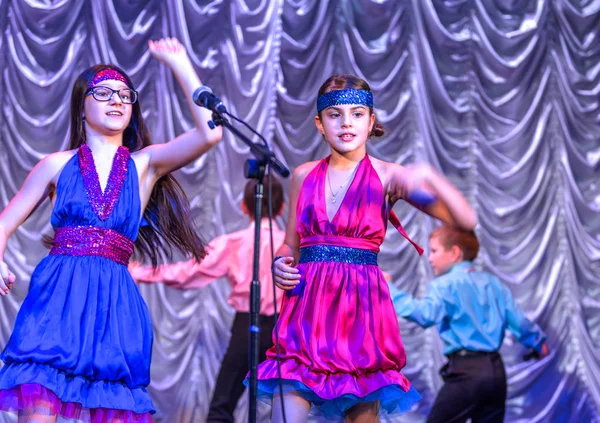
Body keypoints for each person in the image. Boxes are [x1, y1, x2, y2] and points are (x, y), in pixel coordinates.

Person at [0, 37, 222, 422]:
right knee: (39, 411)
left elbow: (210, 134)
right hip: (58, 296)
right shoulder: (55, 164)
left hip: (113, 299)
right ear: (82, 107)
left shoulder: (145, 164)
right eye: (104, 92)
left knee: (113, 406)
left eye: (125, 94)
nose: (117, 100)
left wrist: (182, 64)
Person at [260, 74, 478, 423]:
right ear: (320, 123)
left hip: (358, 311)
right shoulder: (303, 175)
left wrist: (431, 175)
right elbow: (291, 243)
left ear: (371, 120)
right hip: (306, 310)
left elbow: (465, 220)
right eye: (335, 114)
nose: (346, 123)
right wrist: (280, 261)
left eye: (357, 113)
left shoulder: (389, 176)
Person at [129, 176, 286, 423]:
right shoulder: (293, 244)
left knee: (221, 407)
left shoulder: (234, 243)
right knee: (285, 405)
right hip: (284, 328)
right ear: (282, 208)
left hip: (248, 326)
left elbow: (189, 273)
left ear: (245, 207)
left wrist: (143, 273)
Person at [388, 225, 549, 423]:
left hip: (467, 373)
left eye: (435, 251)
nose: (430, 258)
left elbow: (424, 315)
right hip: (496, 373)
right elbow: (518, 320)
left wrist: (388, 289)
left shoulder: (445, 285)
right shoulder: (493, 283)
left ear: (455, 252)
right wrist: (537, 342)